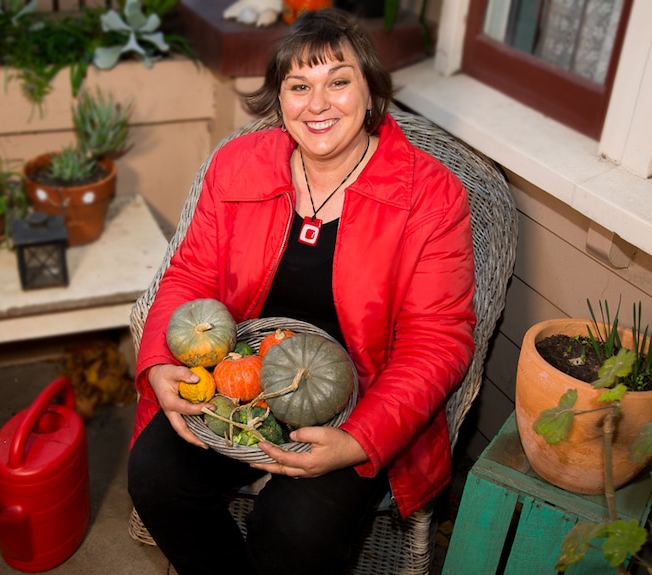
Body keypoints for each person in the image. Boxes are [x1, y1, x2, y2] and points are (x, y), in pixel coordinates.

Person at [127, 8, 476, 575]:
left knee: (294, 528)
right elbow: (190, 276)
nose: (317, 105)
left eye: (338, 82)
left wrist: (360, 441)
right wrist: (164, 362)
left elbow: (437, 342)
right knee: (156, 477)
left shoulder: (429, 197)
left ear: (370, 93)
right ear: (279, 100)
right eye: (299, 86)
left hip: (358, 399)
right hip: (238, 379)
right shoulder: (237, 165)